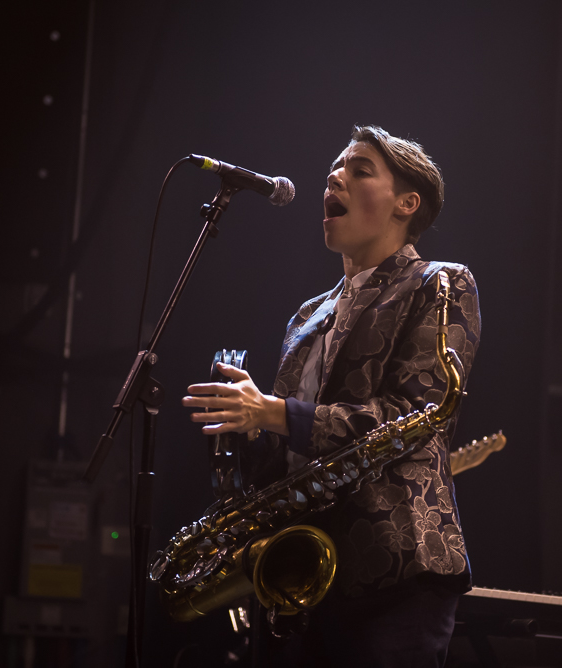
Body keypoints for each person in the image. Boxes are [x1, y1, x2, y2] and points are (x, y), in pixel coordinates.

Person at [182, 125, 481, 667]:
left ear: (406, 203)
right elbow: (287, 452)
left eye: (359, 170)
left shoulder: (441, 282)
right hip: (304, 577)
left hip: (394, 568)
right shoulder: (307, 314)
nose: (334, 177)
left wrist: (273, 412)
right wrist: (246, 430)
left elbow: (413, 416)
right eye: (335, 169)